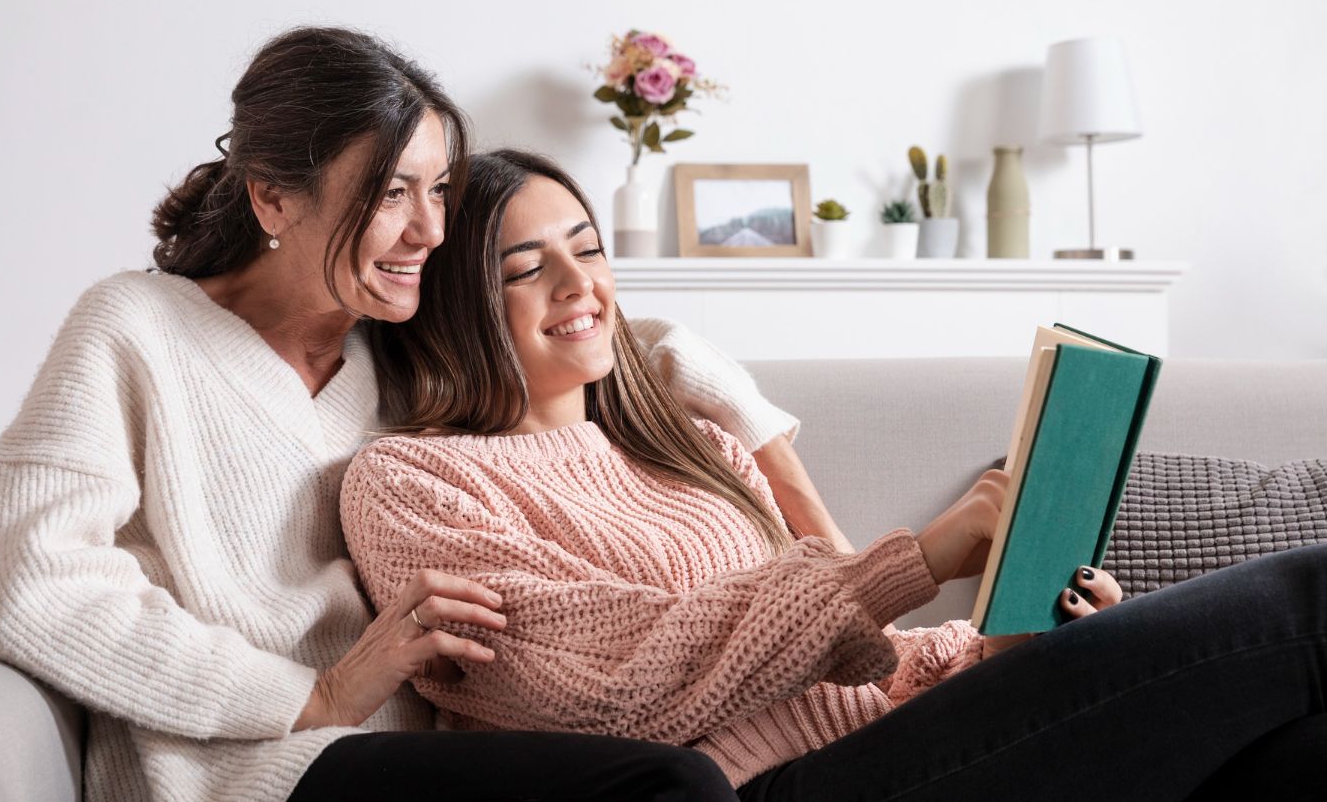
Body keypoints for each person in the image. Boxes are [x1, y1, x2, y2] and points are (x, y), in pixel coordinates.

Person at [0, 27, 836, 802]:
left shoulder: (396, 343)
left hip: (431, 752)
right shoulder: (136, 330)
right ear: (274, 197)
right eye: (391, 193)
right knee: (667, 786)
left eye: (438, 189)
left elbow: (628, 336)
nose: (430, 231)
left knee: (670, 768)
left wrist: (787, 484)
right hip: (265, 768)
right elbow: (23, 579)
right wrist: (310, 694)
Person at [341, 148, 1327, 802]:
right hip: (778, 790)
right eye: (526, 267)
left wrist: (1001, 649)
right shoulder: (414, 480)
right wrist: (911, 559)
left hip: (905, 737)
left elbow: (860, 665)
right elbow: (601, 683)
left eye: (589, 248)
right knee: (1304, 594)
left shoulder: (699, 449)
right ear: (453, 301)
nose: (578, 284)